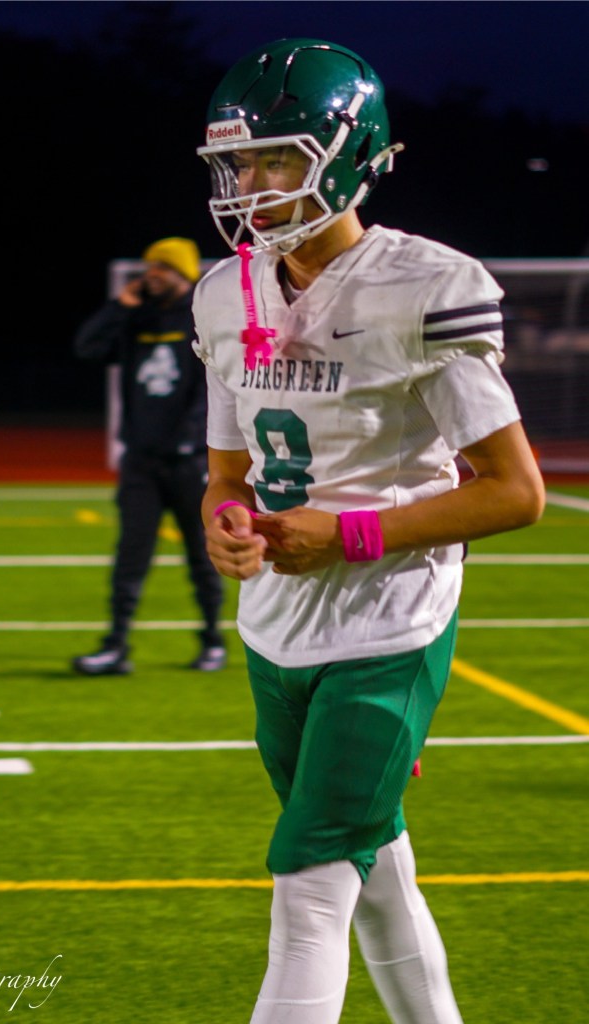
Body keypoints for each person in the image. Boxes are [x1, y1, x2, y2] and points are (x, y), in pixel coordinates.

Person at [192, 39, 545, 1024]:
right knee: (373, 857)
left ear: (348, 156)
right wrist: (228, 528)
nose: (251, 187)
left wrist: (347, 535)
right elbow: (226, 479)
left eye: (277, 159)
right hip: (275, 626)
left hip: (389, 622)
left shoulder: (426, 284)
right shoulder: (225, 292)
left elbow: (517, 492)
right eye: (239, 164)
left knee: (308, 886)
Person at [72, 237, 226, 676]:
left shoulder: (201, 319)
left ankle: (212, 639)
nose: (151, 274)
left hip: (188, 463)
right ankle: (116, 644)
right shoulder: (136, 317)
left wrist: (191, 439)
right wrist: (119, 307)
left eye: (162, 267)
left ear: (183, 274)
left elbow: (215, 383)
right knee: (131, 555)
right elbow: (87, 348)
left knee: (202, 555)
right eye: (150, 267)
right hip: (141, 462)